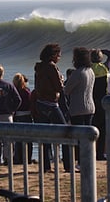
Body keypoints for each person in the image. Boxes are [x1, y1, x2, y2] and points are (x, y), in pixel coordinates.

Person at [33, 43, 66, 172]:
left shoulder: (39, 67)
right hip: (51, 104)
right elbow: (59, 87)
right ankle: (67, 164)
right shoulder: (52, 67)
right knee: (65, 133)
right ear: (53, 55)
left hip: (40, 103)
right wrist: (62, 80)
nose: (59, 57)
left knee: (44, 134)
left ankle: (45, 165)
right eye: (58, 55)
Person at [64, 47, 95, 172]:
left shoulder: (77, 73)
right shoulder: (90, 71)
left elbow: (67, 90)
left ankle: (80, 162)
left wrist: (62, 84)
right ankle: (88, 161)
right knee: (87, 137)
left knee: (78, 137)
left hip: (78, 108)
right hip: (90, 106)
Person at [90, 48, 110, 160]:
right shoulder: (105, 68)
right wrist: (101, 50)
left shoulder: (87, 69)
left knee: (91, 128)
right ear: (100, 58)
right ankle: (100, 154)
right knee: (102, 130)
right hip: (103, 102)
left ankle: (91, 152)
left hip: (91, 102)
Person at [12, 73, 33, 165]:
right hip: (27, 116)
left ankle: (18, 158)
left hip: (17, 116)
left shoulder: (14, 92)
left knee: (18, 139)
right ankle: (27, 159)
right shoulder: (27, 92)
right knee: (28, 139)